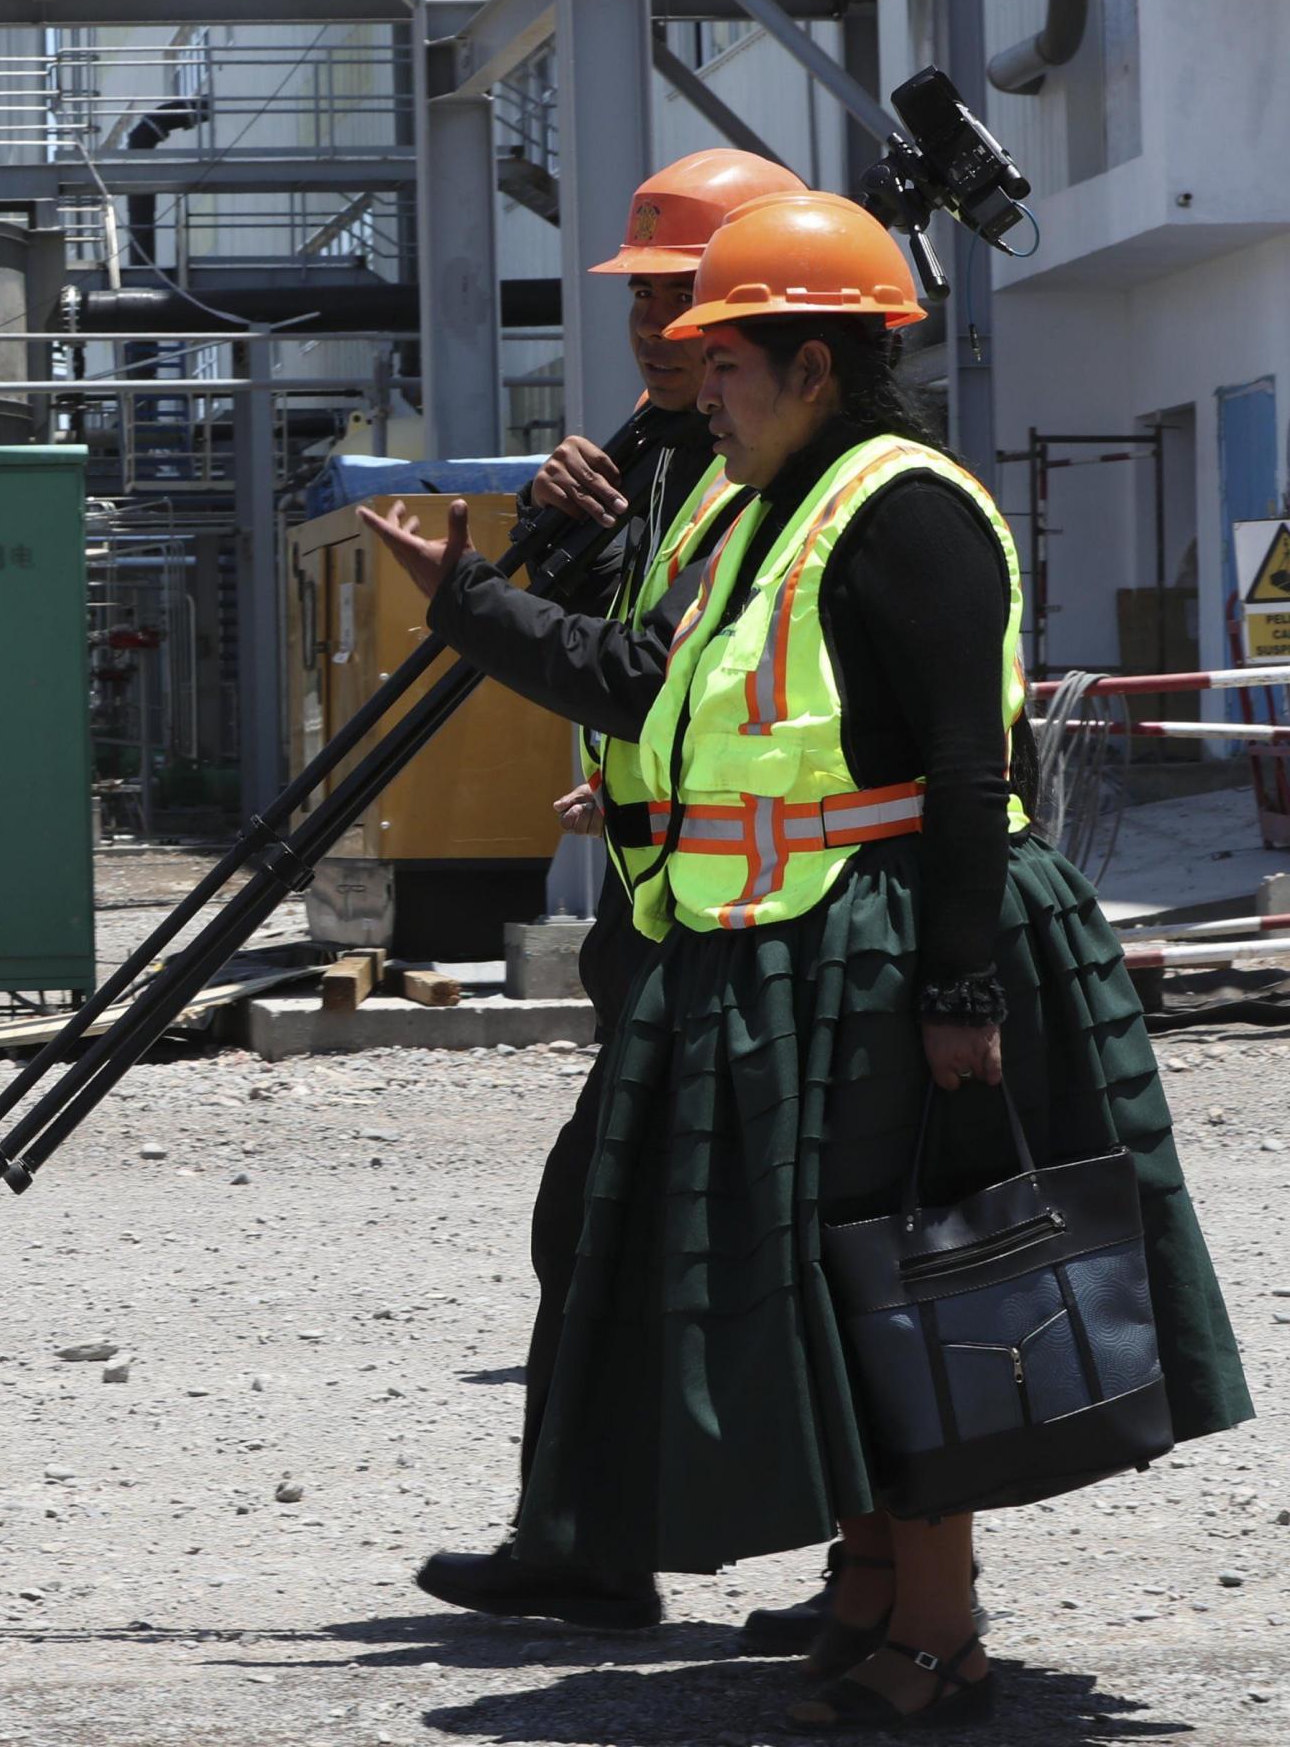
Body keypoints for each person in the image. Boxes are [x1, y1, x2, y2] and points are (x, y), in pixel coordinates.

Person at [374, 194, 1250, 1732]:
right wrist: (471, 600)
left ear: (814, 369)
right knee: (829, 1288)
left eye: (726, 361)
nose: (695, 385)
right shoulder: (738, 507)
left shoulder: (907, 508)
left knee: (909, 1282)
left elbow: (971, 774)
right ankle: (864, 1590)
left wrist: (964, 997)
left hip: (897, 941)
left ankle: (941, 1631)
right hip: (775, 955)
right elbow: (639, 683)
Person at [392, 148, 822, 1643]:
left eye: (685, 297)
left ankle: (874, 1574)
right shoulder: (660, 457)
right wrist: (559, 520)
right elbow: (606, 651)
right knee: (598, 1226)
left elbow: (653, 682)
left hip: (774, 917)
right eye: (643, 297)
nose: (655, 325)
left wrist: (477, 598)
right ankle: (590, 1539)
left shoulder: (786, 477)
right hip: (668, 909)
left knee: (764, 1235)